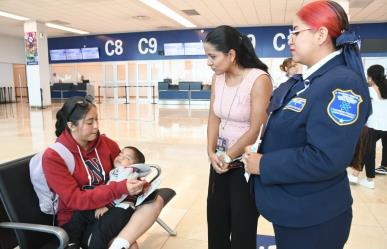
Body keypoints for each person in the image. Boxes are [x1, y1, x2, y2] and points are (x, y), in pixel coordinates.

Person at [243, 1, 371, 248]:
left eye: (295, 31)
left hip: (314, 219)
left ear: (321, 34)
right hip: (294, 210)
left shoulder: (342, 84)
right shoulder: (307, 82)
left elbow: (326, 157)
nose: (289, 39)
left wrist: (264, 164)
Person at [42, 95, 165, 249]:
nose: (96, 126)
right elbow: (76, 200)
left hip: (110, 208)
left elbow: (125, 170)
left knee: (156, 201)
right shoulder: (54, 156)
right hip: (78, 220)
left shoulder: (107, 144)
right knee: (131, 246)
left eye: (97, 119)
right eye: (89, 122)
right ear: (71, 125)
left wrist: (137, 183)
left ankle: (119, 244)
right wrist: (121, 188)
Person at [204, 25, 272, 249]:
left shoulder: (259, 79)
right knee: (216, 220)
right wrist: (211, 152)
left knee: (242, 223)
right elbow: (214, 117)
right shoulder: (218, 78)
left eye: (212, 56)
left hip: (244, 163)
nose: (209, 62)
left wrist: (227, 156)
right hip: (220, 161)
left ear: (231, 54)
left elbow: (255, 129)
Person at [63, 146, 153, 249]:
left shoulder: (127, 171)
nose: (121, 157)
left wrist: (108, 206)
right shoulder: (118, 171)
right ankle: (74, 242)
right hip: (112, 207)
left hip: (120, 208)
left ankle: (74, 242)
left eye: (127, 158)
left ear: (135, 165)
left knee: (99, 233)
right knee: (81, 214)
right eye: (120, 154)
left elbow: (124, 191)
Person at [348, 65, 387, 188]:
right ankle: (355, 175)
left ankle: (369, 180)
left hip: (372, 125)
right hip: (384, 126)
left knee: (368, 151)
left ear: (371, 76)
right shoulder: (384, 87)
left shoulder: (369, 90)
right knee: (365, 149)